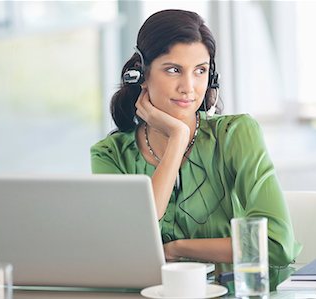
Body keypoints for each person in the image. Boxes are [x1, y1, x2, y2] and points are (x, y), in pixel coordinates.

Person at [91, 9, 301, 269]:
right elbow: (127, 245)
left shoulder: (236, 135)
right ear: (142, 74)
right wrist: (177, 138)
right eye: (173, 70)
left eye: (200, 71)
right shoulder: (110, 154)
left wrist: (178, 250)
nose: (188, 87)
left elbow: (276, 245)